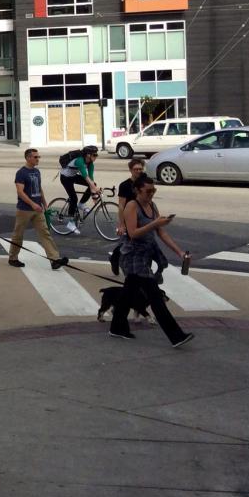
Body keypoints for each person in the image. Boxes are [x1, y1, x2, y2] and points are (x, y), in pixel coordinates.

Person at [110, 175, 194, 347]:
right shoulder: (132, 206)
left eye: (153, 190)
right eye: (148, 191)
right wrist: (155, 223)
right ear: (137, 190)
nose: (151, 194)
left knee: (128, 293)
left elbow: (161, 232)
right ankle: (176, 336)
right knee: (154, 295)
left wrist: (179, 252)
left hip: (146, 254)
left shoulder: (152, 206)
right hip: (133, 255)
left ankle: (117, 327)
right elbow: (133, 233)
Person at [9, 148, 68, 270]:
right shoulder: (21, 173)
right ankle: (13, 258)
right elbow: (20, 192)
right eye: (35, 157)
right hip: (24, 209)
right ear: (28, 158)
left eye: (38, 157)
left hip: (38, 209)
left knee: (45, 233)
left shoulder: (36, 172)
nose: (38, 159)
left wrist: (44, 204)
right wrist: (32, 204)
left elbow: (39, 189)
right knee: (18, 234)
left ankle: (54, 259)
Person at [58, 145, 101, 233]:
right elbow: (85, 176)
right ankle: (70, 222)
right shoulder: (79, 161)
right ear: (88, 155)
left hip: (73, 176)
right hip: (65, 178)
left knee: (93, 184)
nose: (96, 157)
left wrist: (94, 193)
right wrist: (95, 189)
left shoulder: (90, 163)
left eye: (96, 155)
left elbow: (91, 178)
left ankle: (81, 204)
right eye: (94, 155)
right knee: (73, 198)